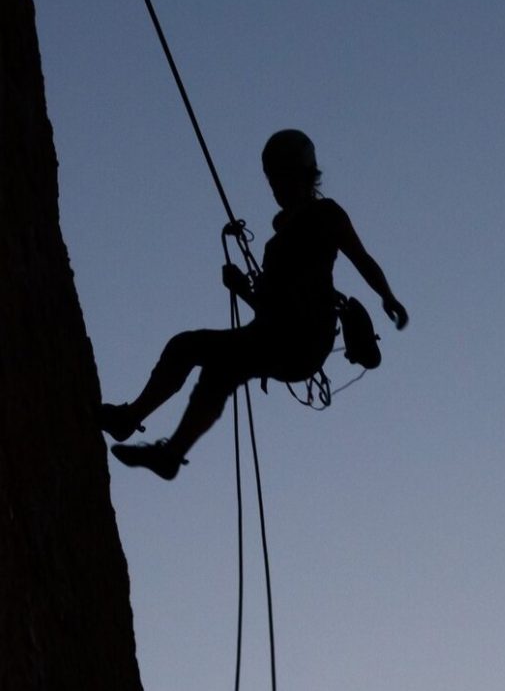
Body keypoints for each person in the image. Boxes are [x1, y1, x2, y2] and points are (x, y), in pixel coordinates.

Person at [100, 129, 408, 479]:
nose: (276, 186)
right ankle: (155, 441)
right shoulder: (276, 241)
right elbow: (269, 307)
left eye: (282, 176)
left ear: (303, 175)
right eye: (273, 178)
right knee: (197, 354)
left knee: (204, 356)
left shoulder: (326, 215)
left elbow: (360, 258)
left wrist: (387, 296)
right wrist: (241, 288)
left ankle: (145, 433)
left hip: (301, 340)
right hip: (280, 336)